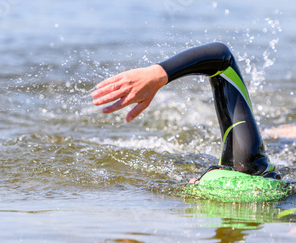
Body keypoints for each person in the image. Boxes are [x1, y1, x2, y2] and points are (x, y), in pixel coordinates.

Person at [92, 42, 281, 182]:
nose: (193, 182)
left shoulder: (239, 170)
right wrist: (157, 74)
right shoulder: (249, 167)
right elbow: (223, 58)